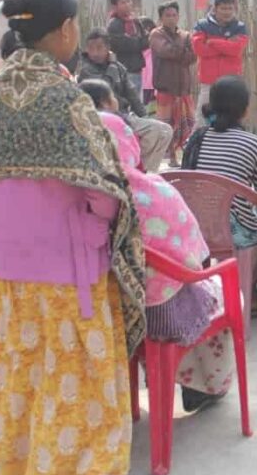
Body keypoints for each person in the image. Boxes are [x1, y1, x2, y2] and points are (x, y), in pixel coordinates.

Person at [0, 0, 146, 475]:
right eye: (74, 25)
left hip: (6, 264)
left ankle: (22, 466)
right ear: (63, 30)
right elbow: (103, 188)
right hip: (67, 262)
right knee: (69, 370)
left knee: (21, 365)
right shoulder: (66, 99)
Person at [79, 78, 235, 414]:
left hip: (106, 311)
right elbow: (198, 257)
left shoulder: (74, 197)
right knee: (211, 290)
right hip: (158, 314)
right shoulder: (155, 191)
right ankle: (204, 386)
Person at [183, 76, 257, 312]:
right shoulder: (255, 144)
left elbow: (187, 178)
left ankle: (247, 291)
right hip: (235, 234)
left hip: (196, 226)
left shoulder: (196, 139)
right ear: (245, 109)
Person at [78, 28, 172, 172]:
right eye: (91, 49)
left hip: (124, 116)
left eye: (99, 48)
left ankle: (146, 173)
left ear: (108, 48)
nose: (95, 53)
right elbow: (104, 90)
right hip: (102, 119)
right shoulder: (86, 70)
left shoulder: (118, 67)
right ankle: (135, 173)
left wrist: (144, 117)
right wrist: (111, 67)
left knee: (164, 131)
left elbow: (132, 95)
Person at [148, 2, 197, 159]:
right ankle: (168, 156)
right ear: (161, 17)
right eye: (167, 15)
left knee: (187, 126)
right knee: (166, 126)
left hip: (183, 88)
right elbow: (164, 51)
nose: (171, 18)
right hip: (165, 87)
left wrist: (179, 53)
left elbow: (193, 56)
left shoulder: (185, 35)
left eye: (174, 15)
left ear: (178, 16)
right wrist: (183, 52)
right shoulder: (156, 34)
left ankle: (184, 157)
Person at [192, 0, 249, 108]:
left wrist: (213, 42)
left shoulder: (240, 27)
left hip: (231, 80)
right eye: (223, 8)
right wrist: (227, 43)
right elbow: (200, 50)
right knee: (204, 113)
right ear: (215, 9)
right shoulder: (202, 25)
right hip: (208, 80)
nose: (227, 12)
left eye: (230, 8)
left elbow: (236, 50)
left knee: (231, 111)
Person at [106, 0, 150, 94]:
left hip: (137, 70)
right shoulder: (114, 24)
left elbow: (146, 42)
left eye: (128, 1)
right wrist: (139, 41)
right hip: (122, 72)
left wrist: (138, 41)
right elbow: (124, 45)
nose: (127, 5)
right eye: (122, 2)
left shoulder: (135, 22)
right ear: (115, 6)